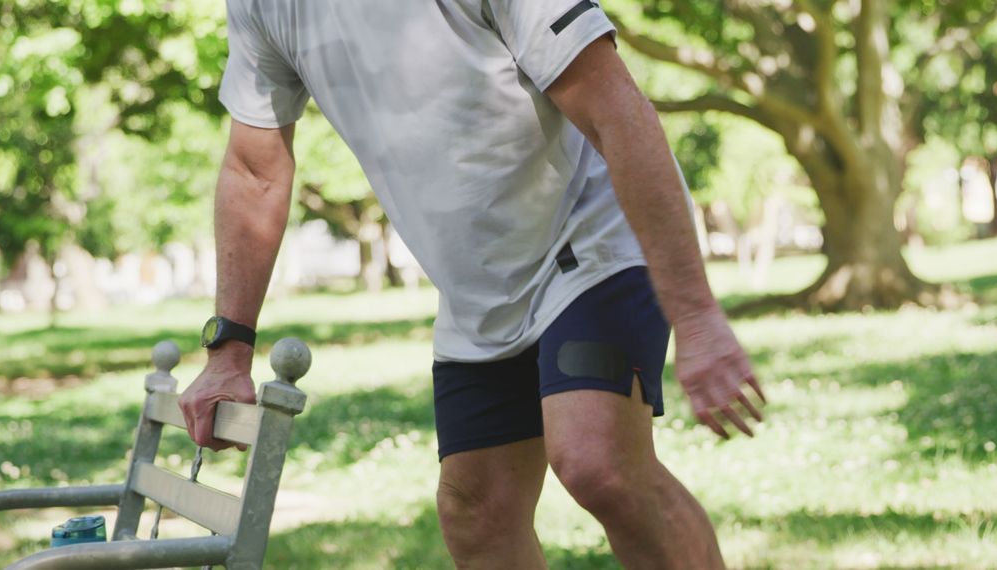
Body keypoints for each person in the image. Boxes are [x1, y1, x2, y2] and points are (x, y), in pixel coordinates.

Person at [179, 1, 766, 567]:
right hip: (478, 290)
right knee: (477, 513)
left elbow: (617, 108)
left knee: (599, 464)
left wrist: (696, 317)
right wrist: (229, 352)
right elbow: (254, 168)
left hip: (590, 235)